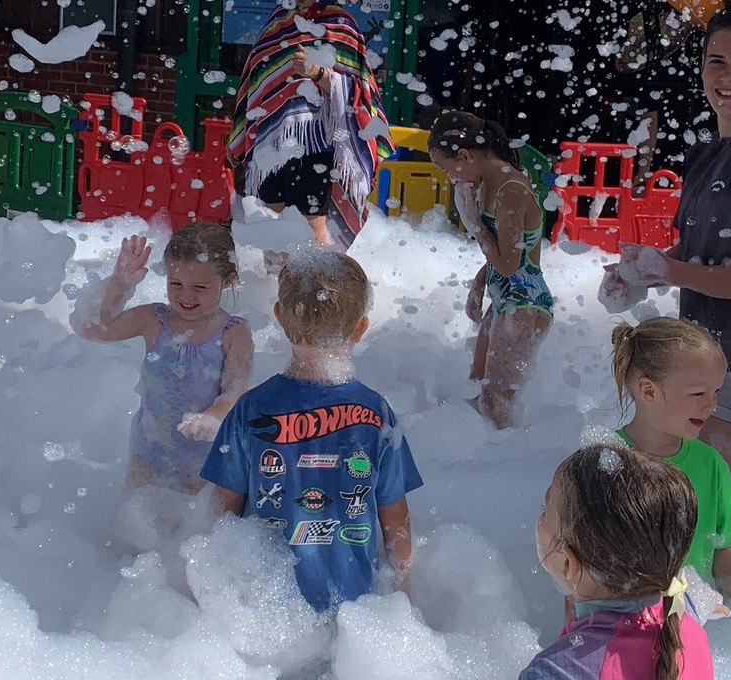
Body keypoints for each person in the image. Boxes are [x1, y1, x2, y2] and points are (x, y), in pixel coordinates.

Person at [603, 0, 731, 479]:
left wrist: (669, 268)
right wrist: (641, 273)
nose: (728, 77)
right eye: (717, 61)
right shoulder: (709, 152)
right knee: (674, 487)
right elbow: (700, 252)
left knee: (698, 498)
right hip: (709, 353)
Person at [200, 249, 423, 613]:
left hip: (265, 605)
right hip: (357, 607)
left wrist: (208, 590)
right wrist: (404, 592)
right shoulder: (377, 414)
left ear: (278, 318)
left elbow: (221, 514)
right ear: (361, 328)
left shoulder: (251, 409)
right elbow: (395, 515)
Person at [227, 0, 392, 246]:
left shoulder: (341, 25)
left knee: (314, 222)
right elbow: (258, 79)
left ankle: (324, 285)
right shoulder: (279, 21)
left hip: (318, 142)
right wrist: (242, 133)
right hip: (272, 141)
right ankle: (271, 290)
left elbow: (358, 92)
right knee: (267, 218)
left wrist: (320, 75)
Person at [75, 222, 254, 492]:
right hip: (148, 452)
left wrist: (213, 417)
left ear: (227, 279)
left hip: (204, 460)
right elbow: (93, 329)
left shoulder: (233, 333)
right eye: (176, 283)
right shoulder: (153, 320)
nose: (186, 295)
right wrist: (120, 284)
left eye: (200, 287)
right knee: (139, 525)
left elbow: (237, 390)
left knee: (192, 528)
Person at [524, 444, 713, 680]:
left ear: (567, 563)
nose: (539, 516)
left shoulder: (554, 672)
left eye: (545, 510)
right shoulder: (681, 607)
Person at [427, 110, 554, 429]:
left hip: (526, 302)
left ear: (465, 155)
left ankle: (513, 470)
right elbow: (504, 253)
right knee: (479, 390)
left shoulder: (510, 189)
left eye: (447, 168)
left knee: (498, 401)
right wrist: (479, 283)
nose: (450, 177)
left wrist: (473, 225)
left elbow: (512, 265)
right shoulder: (486, 184)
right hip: (506, 297)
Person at [611, 317, 731, 599]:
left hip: (693, 616)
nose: (712, 405)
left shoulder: (711, 465)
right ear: (649, 391)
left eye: (716, 392)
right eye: (698, 394)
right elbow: (580, 552)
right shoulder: (606, 461)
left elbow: (725, 548)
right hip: (621, 621)